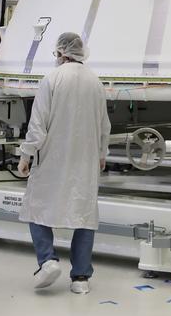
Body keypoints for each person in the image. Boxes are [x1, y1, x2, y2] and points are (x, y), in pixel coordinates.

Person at [17, 31, 111, 294]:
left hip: (52, 158)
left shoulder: (52, 79)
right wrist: (101, 153)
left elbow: (38, 125)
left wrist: (25, 155)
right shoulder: (95, 82)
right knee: (84, 214)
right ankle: (80, 278)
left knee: (36, 208)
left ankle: (47, 261)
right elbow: (104, 124)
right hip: (86, 161)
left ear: (60, 53)